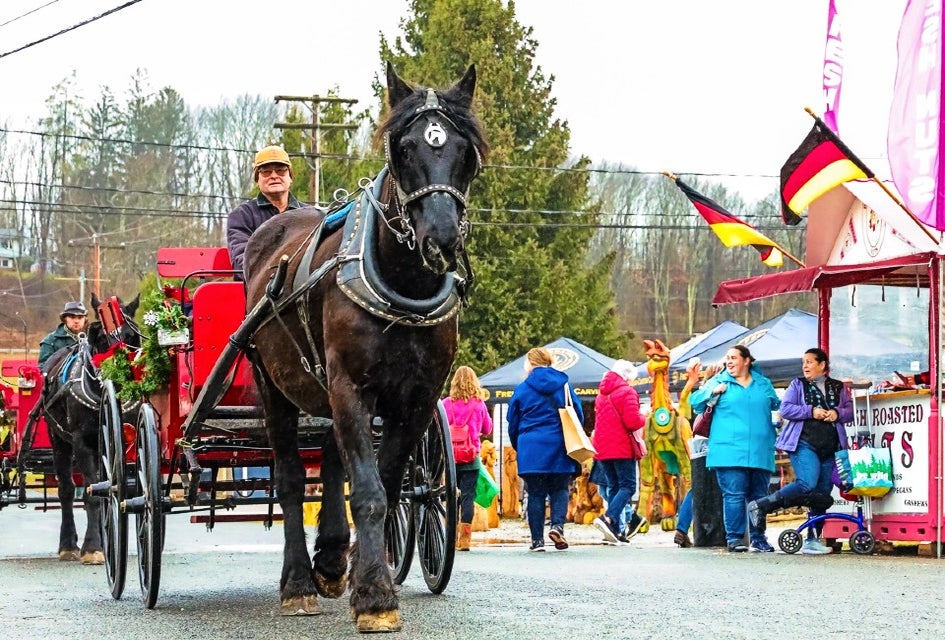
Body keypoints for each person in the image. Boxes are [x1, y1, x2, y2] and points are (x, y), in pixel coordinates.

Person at [748, 347, 853, 555]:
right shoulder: (798, 384)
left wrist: (836, 413)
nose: (805, 366)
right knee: (806, 483)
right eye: (803, 362)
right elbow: (785, 408)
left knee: (821, 494)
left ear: (822, 365)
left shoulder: (839, 387)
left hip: (831, 446)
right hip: (804, 443)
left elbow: (850, 411)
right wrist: (811, 411)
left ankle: (813, 540)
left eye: (809, 362)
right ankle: (762, 505)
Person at [689, 345, 780, 553]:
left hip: (760, 450)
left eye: (733, 358)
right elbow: (695, 403)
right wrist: (712, 391)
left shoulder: (763, 384)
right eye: (727, 359)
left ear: (746, 361)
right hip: (728, 451)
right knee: (734, 495)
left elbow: (776, 405)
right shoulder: (719, 381)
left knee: (759, 497)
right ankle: (735, 538)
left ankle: (758, 538)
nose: (728, 362)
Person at [507, 347, 583, 552]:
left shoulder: (522, 389)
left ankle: (537, 541)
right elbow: (578, 415)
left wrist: (520, 445)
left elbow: (512, 423)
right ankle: (557, 526)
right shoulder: (564, 385)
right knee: (560, 489)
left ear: (530, 363)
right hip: (560, 445)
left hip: (531, 448)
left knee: (536, 493)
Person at [226, 145, 303, 280]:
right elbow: (243, 261)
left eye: (281, 170)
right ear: (257, 180)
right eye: (266, 172)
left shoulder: (308, 214)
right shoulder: (242, 215)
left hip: (303, 288)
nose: (274, 176)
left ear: (290, 177)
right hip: (256, 293)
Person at [591, 359, 647, 544]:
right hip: (621, 447)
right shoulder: (627, 392)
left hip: (602, 448)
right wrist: (643, 416)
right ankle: (608, 518)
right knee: (628, 486)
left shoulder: (601, 394)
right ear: (628, 376)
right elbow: (632, 421)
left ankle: (615, 532)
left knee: (614, 486)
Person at [442, 365, 494, 552]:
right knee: (467, 497)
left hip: (450, 458)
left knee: (450, 497)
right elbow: (488, 429)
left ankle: (450, 537)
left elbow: (439, 429)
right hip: (471, 458)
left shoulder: (447, 404)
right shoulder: (479, 404)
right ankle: (465, 539)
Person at [38, 301, 89, 369]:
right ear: (65, 319)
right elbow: (43, 368)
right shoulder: (50, 341)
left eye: (80, 317)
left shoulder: (93, 339)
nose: (76, 321)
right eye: (72, 317)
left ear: (85, 319)